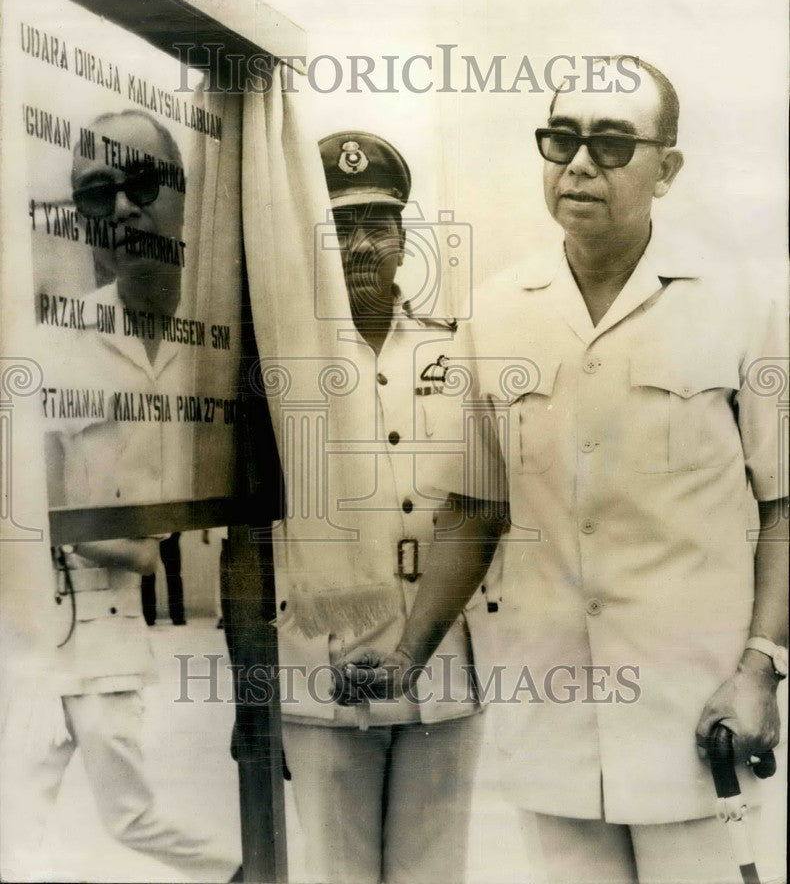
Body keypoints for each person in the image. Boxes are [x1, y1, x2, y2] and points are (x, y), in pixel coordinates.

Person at [340, 60, 788, 883]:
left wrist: (761, 669)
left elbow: (784, 505)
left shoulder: (739, 304)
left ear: (667, 169)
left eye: (613, 143)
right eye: (563, 139)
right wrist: (409, 654)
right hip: (552, 712)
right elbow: (474, 509)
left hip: (698, 714)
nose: (580, 163)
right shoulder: (498, 311)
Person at [0, 110, 239, 882]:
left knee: (131, 812)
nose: (125, 210)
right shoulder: (54, 350)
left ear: (185, 197)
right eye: (98, 195)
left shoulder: (234, 331)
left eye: (142, 183)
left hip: (175, 637)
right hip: (48, 628)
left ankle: (244, 869)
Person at [274, 131, 499, 884]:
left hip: (442, 660)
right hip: (322, 665)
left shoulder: (456, 350)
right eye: (340, 227)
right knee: (339, 873)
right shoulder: (280, 367)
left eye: (378, 225)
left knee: (435, 872)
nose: (362, 246)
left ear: (406, 239)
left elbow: (482, 501)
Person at [142, 531, 187, 626]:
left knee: (148, 574)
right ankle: (177, 616)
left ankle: (148, 617)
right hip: (166, 530)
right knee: (173, 574)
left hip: (150, 532)